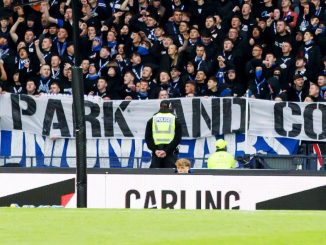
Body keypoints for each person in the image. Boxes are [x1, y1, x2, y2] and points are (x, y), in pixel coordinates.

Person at [145, 100, 182, 168]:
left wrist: (155, 150)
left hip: (156, 153)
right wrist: (166, 151)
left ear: (160, 107)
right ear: (170, 107)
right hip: (170, 152)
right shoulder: (175, 120)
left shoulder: (152, 119)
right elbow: (177, 138)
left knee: (155, 175)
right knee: (171, 175)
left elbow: (148, 138)